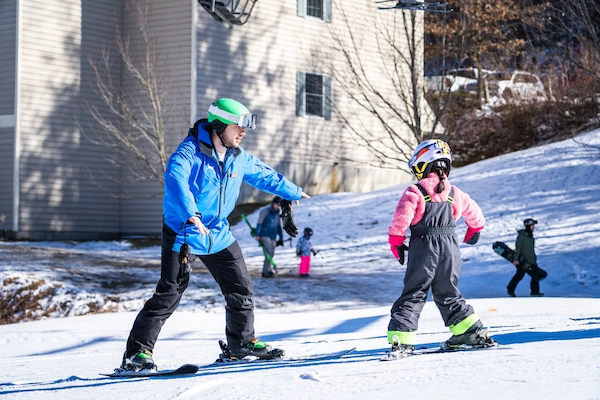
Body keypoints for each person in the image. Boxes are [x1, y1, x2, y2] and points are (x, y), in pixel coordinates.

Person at [119, 98, 309, 372]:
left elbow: (263, 175)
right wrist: (190, 213)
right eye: (237, 128)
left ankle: (240, 343)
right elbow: (175, 179)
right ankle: (137, 354)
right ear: (219, 126)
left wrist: (292, 191)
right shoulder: (189, 153)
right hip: (185, 231)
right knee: (169, 294)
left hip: (217, 233)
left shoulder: (237, 155)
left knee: (241, 288)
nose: (242, 134)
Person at [386, 139, 496, 355]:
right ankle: (470, 330)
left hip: (424, 247)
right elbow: (475, 214)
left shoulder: (415, 191)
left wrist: (396, 242)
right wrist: (474, 229)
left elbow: (400, 221)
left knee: (415, 290)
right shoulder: (455, 193)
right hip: (450, 249)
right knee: (447, 291)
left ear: (423, 166)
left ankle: (402, 337)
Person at [507, 218, 543, 297]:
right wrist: (516, 259)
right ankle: (510, 289)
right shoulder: (521, 236)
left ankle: (535, 292)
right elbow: (518, 248)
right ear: (528, 226)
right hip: (523, 261)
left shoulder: (530, 236)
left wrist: (534, 259)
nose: (534, 227)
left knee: (535, 276)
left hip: (531, 261)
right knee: (519, 275)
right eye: (532, 225)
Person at [255, 196, 285, 278]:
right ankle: (265, 272)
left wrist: (281, 237)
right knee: (268, 253)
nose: (278, 207)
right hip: (265, 235)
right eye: (277, 205)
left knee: (272, 254)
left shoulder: (277, 214)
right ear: (273, 204)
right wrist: (257, 234)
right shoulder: (265, 211)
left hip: (273, 236)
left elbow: (279, 226)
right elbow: (259, 223)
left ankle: (269, 270)